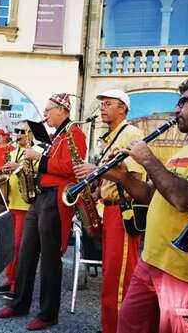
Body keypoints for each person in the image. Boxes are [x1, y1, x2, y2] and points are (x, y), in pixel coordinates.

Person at [105, 78, 188, 333]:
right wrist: (123, 177)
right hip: (151, 261)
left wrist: (149, 159)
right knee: (127, 326)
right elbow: (153, 195)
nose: (177, 109)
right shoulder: (185, 150)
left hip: (185, 272)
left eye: (184, 102)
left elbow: (184, 199)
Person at [0, 93, 87, 331]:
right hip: (41, 196)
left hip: (55, 197)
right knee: (26, 251)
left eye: (48, 110)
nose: (44, 114)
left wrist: (39, 158)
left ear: (62, 110)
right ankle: (19, 303)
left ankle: (48, 314)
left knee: (49, 258)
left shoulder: (74, 133)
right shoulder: (57, 136)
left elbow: (72, 168)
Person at [73, 89, 145, 333]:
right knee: (110, 279)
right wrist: (94, 192)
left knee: (120, 280)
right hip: (110, 210)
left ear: (122, 108)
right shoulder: (110, 136)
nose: (102, 108)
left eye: (108, 104)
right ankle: (109, 327)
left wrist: (95, 170)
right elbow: (110, 179)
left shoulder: (132, 134)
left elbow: (133, 177)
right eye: (101, 104)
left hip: (122, 212)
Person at [0, 121, 41, 300]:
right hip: (11, 203)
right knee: (10, 245)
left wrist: (18, 167)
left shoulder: (38, 151)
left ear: (31, 133)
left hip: (27, 206)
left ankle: (17, 286)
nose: (17, 134)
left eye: (22, 131)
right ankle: (10, 280)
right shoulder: (12, 152)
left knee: (20, 247)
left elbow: (37, 174)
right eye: (16, 130)